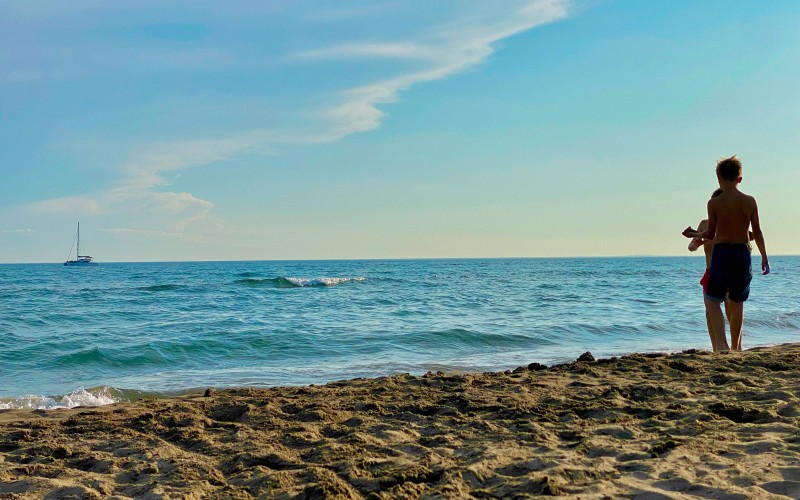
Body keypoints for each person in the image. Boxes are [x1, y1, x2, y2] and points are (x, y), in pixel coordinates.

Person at [682, 156, 769, 351]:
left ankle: (721, 346)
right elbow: (758, 232)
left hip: (722, 253)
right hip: (742, 252)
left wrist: (693, 234)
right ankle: (736, 347)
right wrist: (764, 257)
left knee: (713, 301)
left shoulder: (714, 203)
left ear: (718, 178)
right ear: (740, 179)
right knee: (737, 302)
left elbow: (711, 233)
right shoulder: (750, 201)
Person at [687, 189, 731, 351]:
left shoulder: (731, 223)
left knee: (730, 309)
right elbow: (691, 246)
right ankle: (716, 347)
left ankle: (732, 346)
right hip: (710, 270)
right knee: (709, 311)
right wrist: (697, 243)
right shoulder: (704, 224)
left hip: (728, 271)